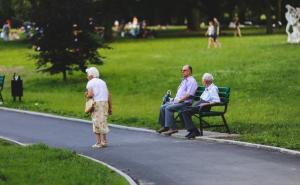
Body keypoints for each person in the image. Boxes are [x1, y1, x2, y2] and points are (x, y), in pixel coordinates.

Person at [157, 65, 198, 136]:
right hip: (178, 101)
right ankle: (165, 126)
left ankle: (173, 128)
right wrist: (174, 100)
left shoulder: (192, 81)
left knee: (168, 108)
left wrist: (179, 100)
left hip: (185, 103)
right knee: (163, 106)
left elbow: (189, 94)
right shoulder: (184, 80)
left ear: (189, 71)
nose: (183, 72)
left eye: (184, 70)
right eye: (182, 70)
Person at [179, 73, 220, 139]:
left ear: (205, 81)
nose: (202, 81)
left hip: (204, 107)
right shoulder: (207, 87)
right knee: (182, 111)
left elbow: (217, 100)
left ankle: (194, 131)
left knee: (185, 112)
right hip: (200, 104)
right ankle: (192, 130)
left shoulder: (213, 88)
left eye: (202, 80)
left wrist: (205, 104)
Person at [85, 67, 112, 148]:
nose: (87, 76)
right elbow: (108, 95)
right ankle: (104, 140)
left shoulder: (90, 82)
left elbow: (90, 95)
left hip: (97, 104)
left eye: (87, 74)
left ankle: (99, 142)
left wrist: (86, 94)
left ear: (91, 75)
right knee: (103, 121)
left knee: (96, 122)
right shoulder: (103, 82)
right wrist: (110, 107)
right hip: (104, 103)